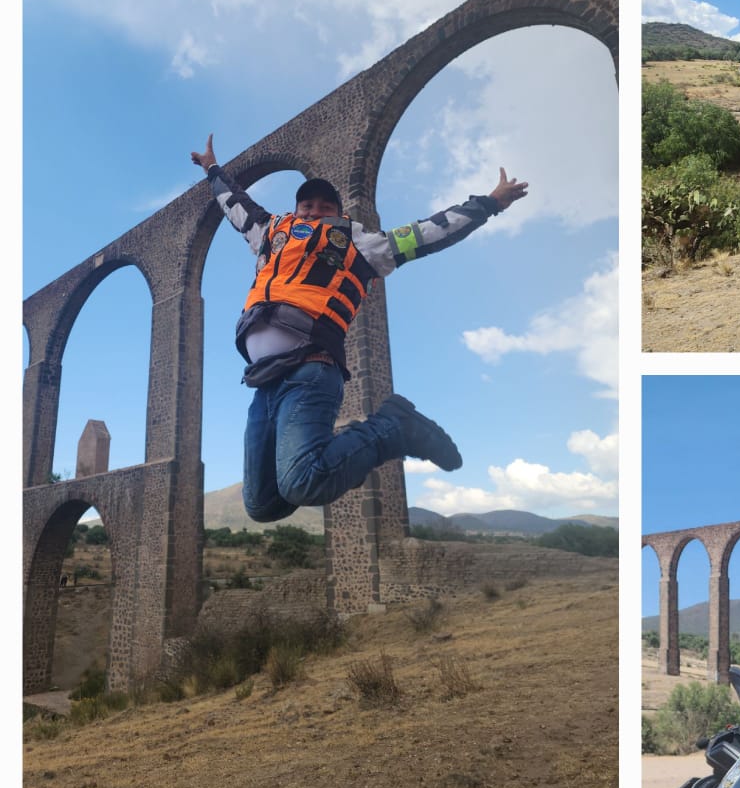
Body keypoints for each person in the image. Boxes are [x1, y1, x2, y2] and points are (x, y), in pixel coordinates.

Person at [190, 133, 528, 523]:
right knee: (262, 504)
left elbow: (428, 232)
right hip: (263, 384)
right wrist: (212, 168)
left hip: (309, 369)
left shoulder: (360, 242)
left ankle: (393, 426)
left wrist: (489, 204)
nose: (315, 211)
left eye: (325, 206)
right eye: (307, 204)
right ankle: (341, 454)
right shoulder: (270, 233)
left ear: (338, 211)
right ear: (296, 208)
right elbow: (235, 204)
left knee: (303, 484)